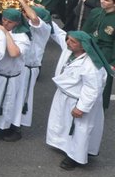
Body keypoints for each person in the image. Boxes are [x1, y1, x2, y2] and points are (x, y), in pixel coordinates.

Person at [44, 22, 107, 169]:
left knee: (80, 129)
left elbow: (92, 89)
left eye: (73, 41)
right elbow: (58, 33)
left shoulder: (91, 66)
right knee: (64, 124)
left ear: (83, 46)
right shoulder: (69, 51)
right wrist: (45, 17)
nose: (68, 42)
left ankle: (74, 157)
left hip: (79, 100)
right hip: (65, 96)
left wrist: (81, 108)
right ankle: (66, 146)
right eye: (68, 39)